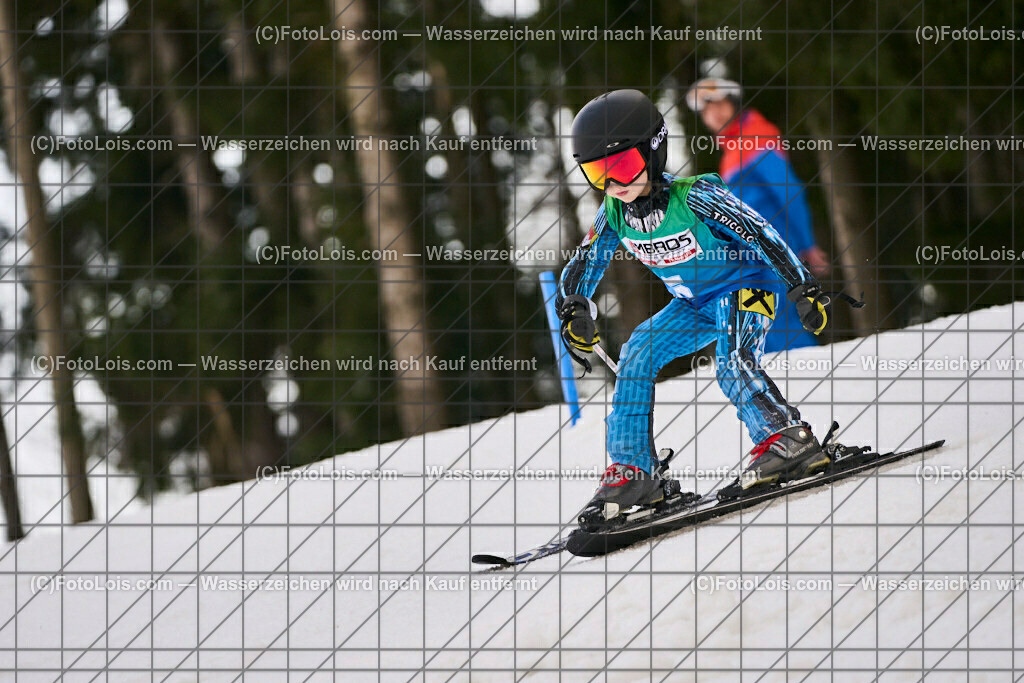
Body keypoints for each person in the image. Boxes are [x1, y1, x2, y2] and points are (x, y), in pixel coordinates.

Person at [557, 89, 849, 514]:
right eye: (600, 175)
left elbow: (760, 231)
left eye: (622, 166)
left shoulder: (695, 196)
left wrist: (800, 285)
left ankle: (787, 438)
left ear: (654, 152)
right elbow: (583, 266)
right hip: (693, 304)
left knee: (731, 358)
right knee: (638, 350)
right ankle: (635, 472)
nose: (615, 185)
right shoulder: (614, 214)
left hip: (748, 288)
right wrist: (575, 306)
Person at [686, 77, 830, 352]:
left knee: (777, 320)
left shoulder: (756, 135)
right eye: (705, 111)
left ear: (734, 103)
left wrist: (807, 244)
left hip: (773, 248)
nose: (713, 114)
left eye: (718, 104)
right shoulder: (729, 153)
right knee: (760, 322)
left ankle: (812, 380)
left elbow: (790, 193)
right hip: (749, 255)